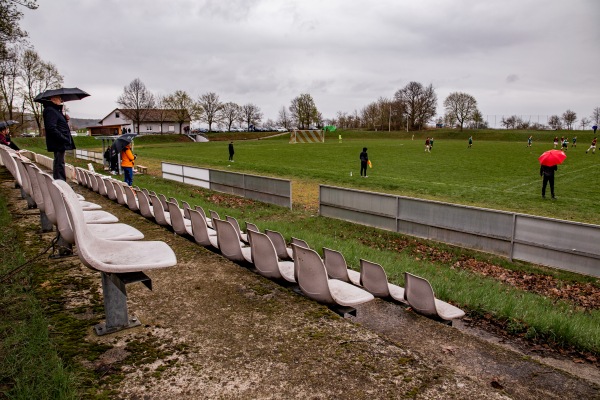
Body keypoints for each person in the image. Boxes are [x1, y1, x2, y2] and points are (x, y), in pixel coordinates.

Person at [43, 95, 75, 181]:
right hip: (58, 141)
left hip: (59, 141)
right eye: (59, 98)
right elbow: (51, 128)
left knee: (60, 162)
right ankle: (60, 183)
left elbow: (57, 123)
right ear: (52, 99)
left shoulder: (55, 110)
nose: (61, 100)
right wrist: (63, 138)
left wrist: (65, 119)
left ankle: (60, 182)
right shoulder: (51, 110)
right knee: (59, 163)